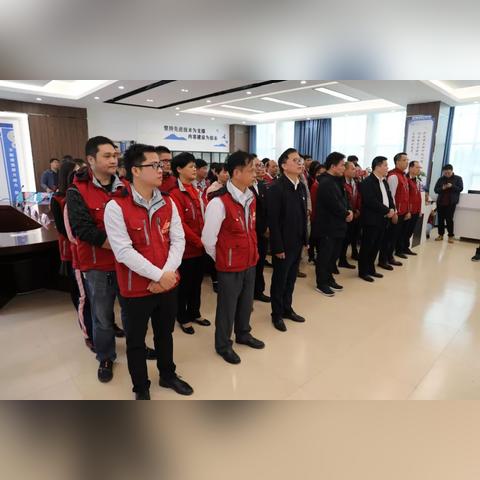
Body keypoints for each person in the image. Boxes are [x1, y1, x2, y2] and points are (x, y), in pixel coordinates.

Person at [104, 144, 193, 399]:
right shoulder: (116, 206)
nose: (161, 169)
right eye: (154, 165)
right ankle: (141, 387)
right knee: (135, 341)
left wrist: (166, 275)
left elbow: (178, 240)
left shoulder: (167, 202)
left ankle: (167, 375)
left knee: (165, 334)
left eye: (161, 164)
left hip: (167, 282)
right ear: (135, 170)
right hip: (135, 288)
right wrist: (159, 276)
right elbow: (123, 251)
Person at [66, 136, 129, 383]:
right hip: (97, 265)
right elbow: (84, 230)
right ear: (91, 160)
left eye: (115, 155)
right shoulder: (76, 190)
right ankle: (105, 356)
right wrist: (123, 246)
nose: (114, 160)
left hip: (127, 264)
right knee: (102, 316)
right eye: (107, 156)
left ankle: (136, 347)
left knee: (131, 312)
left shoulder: (125, 186)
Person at [202, 150, 265, 364]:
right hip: (229, 265)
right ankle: (223, 344)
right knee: (227, 307)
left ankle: (243, 333)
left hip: (250, 260)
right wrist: (223, 258)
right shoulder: (218, 202)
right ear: (236, 173)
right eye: (251, 170)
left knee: (246, 302)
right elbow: (208, 239)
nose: (255, 173)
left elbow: (251, 228)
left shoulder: (250, 196)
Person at [51, 159, 95, 350]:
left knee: (98, 296)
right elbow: (65, 229)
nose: (82, 175)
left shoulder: (87, 194)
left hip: (92, 253)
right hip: (74, 252)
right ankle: (88, 333)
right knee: (82, 294)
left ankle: (105, 326)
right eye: (78, 172)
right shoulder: (59, 199)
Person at [169, 152, 210, 335]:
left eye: (195, 166)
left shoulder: (197, 191)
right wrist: (198, 241)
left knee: (196, 283)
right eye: (191, 166)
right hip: (186, 250)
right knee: (184, 286)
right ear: (179, 169)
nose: (195, 169)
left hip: (201, 247)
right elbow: (180, 224)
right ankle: (183, 317)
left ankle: (195, 312)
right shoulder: (175, 194)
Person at [267, 148, 308, 332]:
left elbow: (303, 216)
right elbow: (273, 221)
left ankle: (287, 308)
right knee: (280, 280)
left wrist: (305, 239)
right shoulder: (276, 188)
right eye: (295, 160)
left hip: (297, 242)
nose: (300, 163)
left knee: (291, 279)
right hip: (283, 245)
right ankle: (276, 314)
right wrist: (277, 247)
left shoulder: (301, 186)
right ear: (284, 165)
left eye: (300, 160)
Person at [311, 152, 353, 296]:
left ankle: (329, 278)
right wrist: (346, 214)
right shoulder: (325, 182)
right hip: (327, 227)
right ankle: (321, 283)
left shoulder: (337, 180)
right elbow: (333, 204)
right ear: (333, 166)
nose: (344, 167)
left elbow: (345, 199)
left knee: (333, 256)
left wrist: (349, 210)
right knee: (325, 256)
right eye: (342, 165)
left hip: (338, 225)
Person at [358, 156, 395, 282]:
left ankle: (371, 269)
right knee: (367, 246)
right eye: (385, 165)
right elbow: (370, 201)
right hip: (371, 220)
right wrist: (387, 210)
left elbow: (389, 197)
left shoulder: (384, 181)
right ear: (378, 167)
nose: (387, 168)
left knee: (376, 246)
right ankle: (363, 271)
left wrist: (392, 208)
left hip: (384, 219)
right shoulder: (367, 182)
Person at [378, 152, 409, 269]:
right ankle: (383, 259)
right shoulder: (393, 176)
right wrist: (394, 212)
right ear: (397, 162)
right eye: (404, 160)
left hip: (401, 212)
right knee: (388, 237)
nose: (407, 162)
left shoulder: (403, 175)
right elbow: (391, 197)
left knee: (394, 237)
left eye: (407, 160)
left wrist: (406, 211)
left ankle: (390, 256)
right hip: (394, 213)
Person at [250, 156, 270, 302]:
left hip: (263, 233)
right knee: (251, 266)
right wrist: (262, 228)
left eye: (261, 165)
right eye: (256, 165)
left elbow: (267, 210)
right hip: (253, 232)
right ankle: (249, 293)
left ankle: (258, 290)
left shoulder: (262, 185)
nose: (260, 168)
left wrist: (268, 227)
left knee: (260, 263)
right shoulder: (245, 187)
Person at [339, 159, 361, 268]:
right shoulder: (341, 183)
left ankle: (347, 257)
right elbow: (344, 200)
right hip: (346, 214)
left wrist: (357, 209)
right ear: (345, 170)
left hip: (355, 214)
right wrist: (350, 211)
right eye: (352, 169)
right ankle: (341, 259)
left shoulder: (355, 182)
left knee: (352, 236)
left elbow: (358, 197)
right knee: (344, 239)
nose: (355, 171)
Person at [434, 164, 464, 243]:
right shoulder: (440, 179)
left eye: (448, 173)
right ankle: (440, 235)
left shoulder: (458, 178)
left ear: (452, 171)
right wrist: (442, 188)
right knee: (440, 219)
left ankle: (450, 236)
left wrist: (452, 186)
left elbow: (460, 188)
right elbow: (436, 190)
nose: (446, 174)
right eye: (445, 173)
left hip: (451, 203)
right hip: (440, 202)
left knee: (449, 219)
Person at [400, 161, 422, 255]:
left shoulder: (417, 180)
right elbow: (406, 197)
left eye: (419, 168)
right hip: (408, 210)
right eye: (417, 167)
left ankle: (406, 248)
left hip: (416, 210)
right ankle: (400, 249)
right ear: (411, 168)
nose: (419, 169)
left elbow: (418, 196)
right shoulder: (405, 179)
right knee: (404, 231)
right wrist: (408, 210)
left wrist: (419, 209)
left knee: (410, 231)